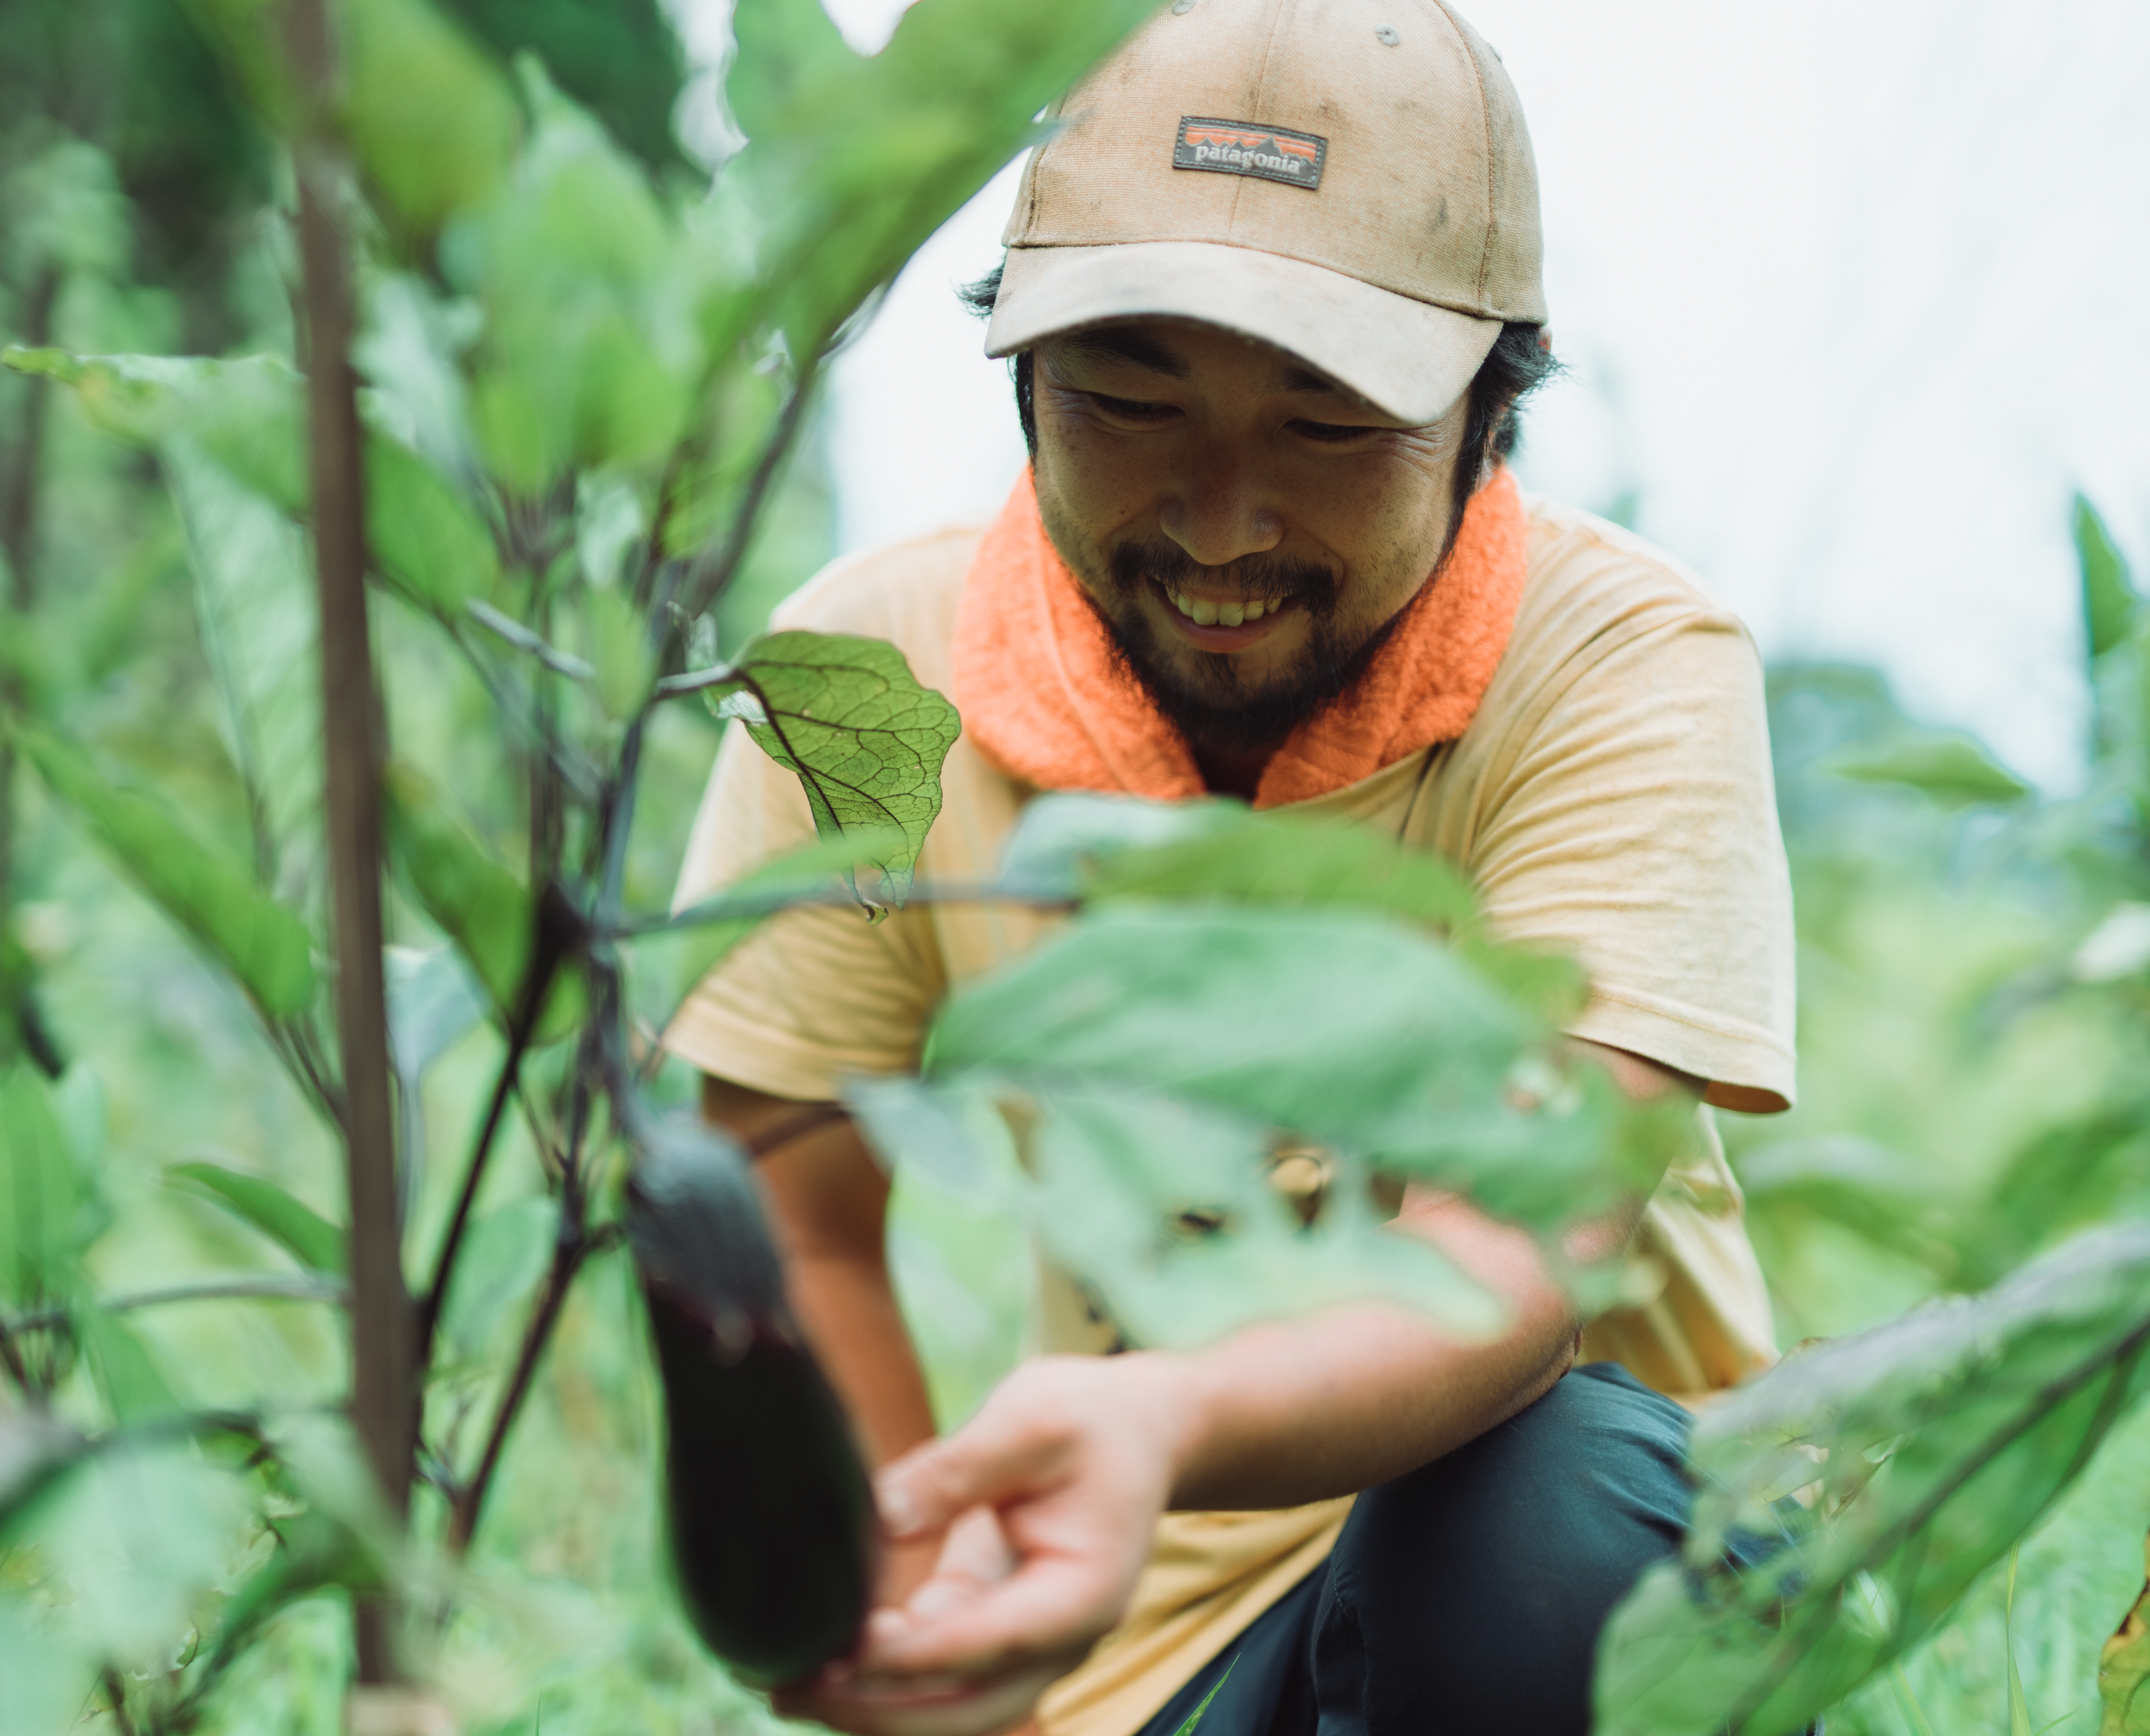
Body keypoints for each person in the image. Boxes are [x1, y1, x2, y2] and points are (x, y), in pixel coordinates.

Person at [665, 1, 1796, 1731]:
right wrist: (913, 1605)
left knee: (1536, 1514)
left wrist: (1158, 1423)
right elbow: (794, 1211)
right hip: (1163, 1656)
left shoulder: (1619, 660)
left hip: (1607, 1612)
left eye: (1330, 430)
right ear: (1020, 376)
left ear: (1490, 410)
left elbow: (1502, 1261)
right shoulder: (860, 687)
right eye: (1128, 403)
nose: (1219, 523)